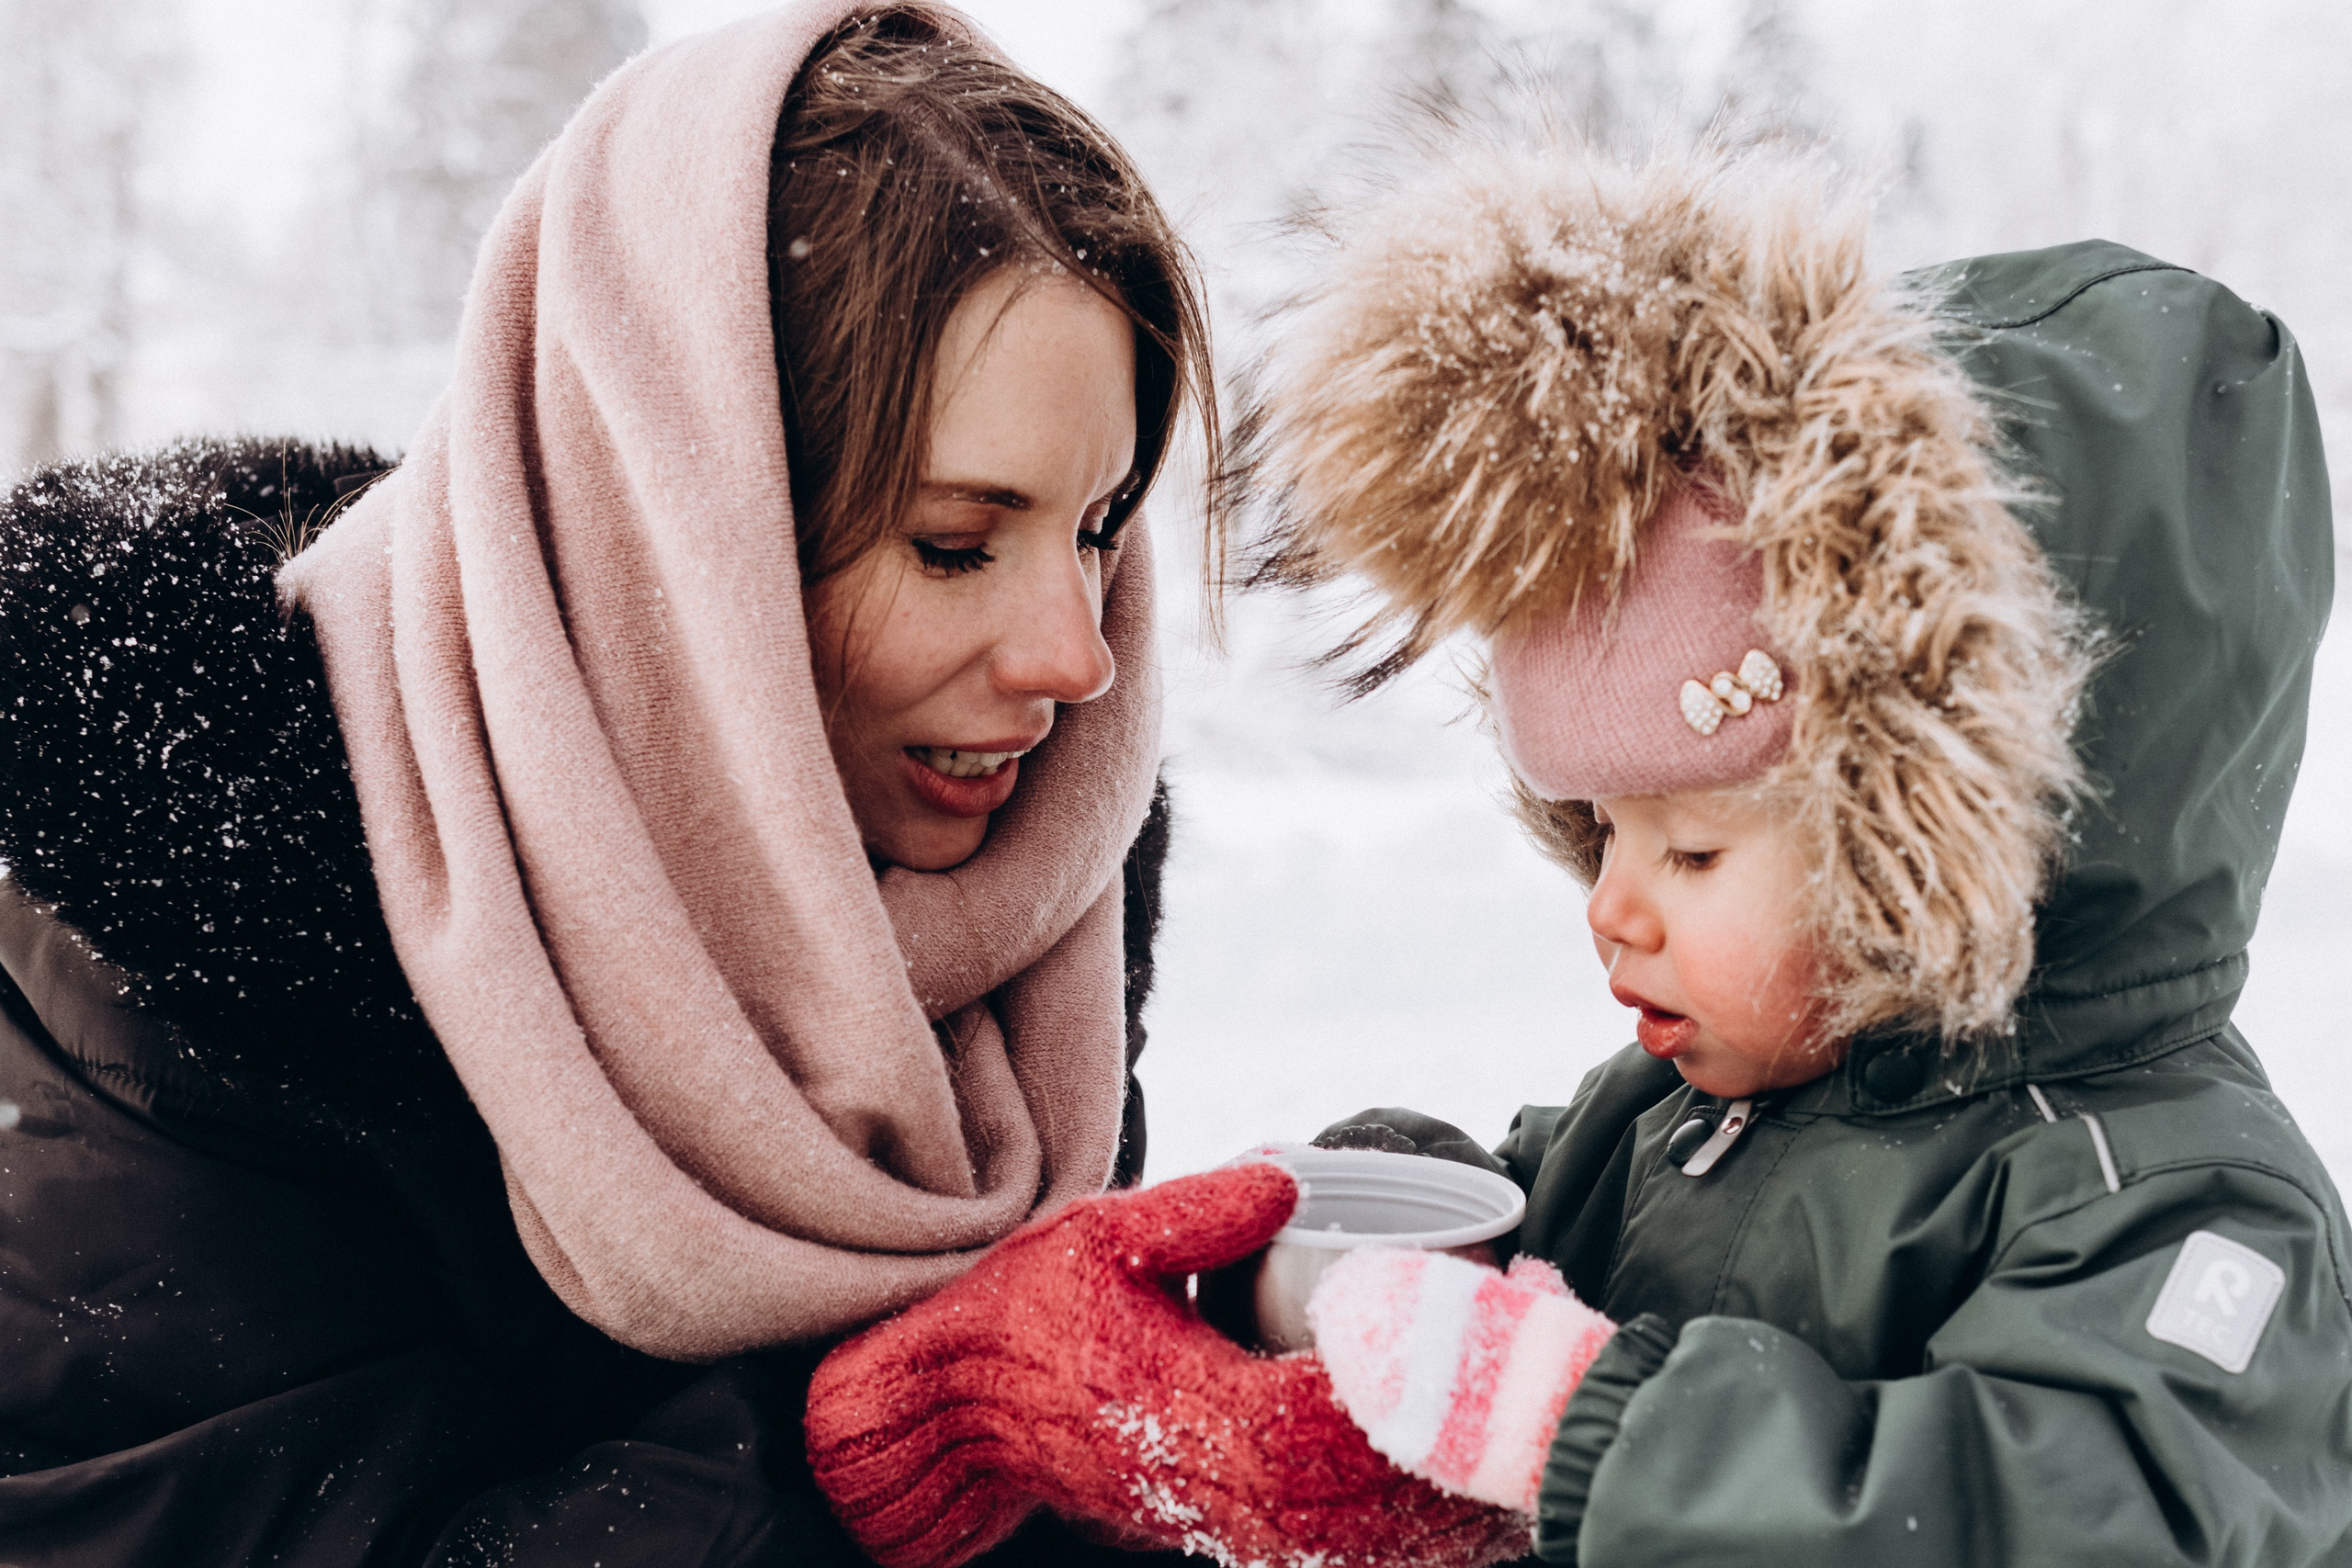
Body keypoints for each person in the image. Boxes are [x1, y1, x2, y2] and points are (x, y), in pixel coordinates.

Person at [803, 141, 2351, 1568]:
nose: (1611, 905)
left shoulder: (2179, 1206)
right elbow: (1534, 1224)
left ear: (1947, 844)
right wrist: (1405, 1202)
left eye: (1690, 850)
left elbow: (2073, 1516)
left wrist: (1582, 1423)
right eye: (1602, 828)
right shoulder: (1682, 1117)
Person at [0, 4, 1217, 1562]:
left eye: (1099, 526)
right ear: (677, 539)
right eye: (954, 544)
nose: (1077, 658)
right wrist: (878, 1453)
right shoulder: (185, 945)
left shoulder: (1003, 937)